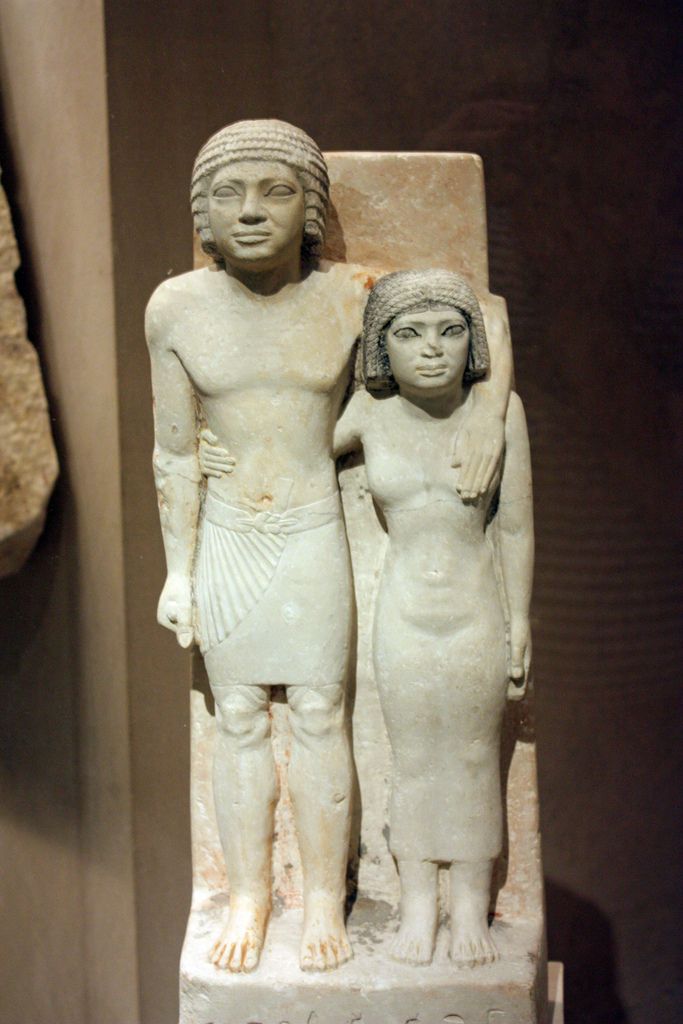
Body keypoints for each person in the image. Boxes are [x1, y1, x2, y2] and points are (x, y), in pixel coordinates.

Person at [147, 120, 513, 974]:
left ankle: (319, 897)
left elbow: (483, 312)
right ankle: (248, 895)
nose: (250, 212)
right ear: (202, 213)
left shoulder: (352, 295)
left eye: (274, 191)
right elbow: (173, 451)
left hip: (311, 526)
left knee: (318, 714)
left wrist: (490, 414)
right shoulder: (176, 308)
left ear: (310, 208)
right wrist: (177, 571)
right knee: (238, 718)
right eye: (228, 194)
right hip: (228, 532)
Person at [332, 270, 534, 967]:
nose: (431, 349)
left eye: (450, 331)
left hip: (476, 612)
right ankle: (418, 902)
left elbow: (515, 528)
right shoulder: (368, 413)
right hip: (404, 614)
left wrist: (520, 621)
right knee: (414, 759)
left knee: (475, 757)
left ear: (471, 342)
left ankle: (470, 903)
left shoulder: (498, 416)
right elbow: (293, 444)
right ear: (379, 346)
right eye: (408, 333)